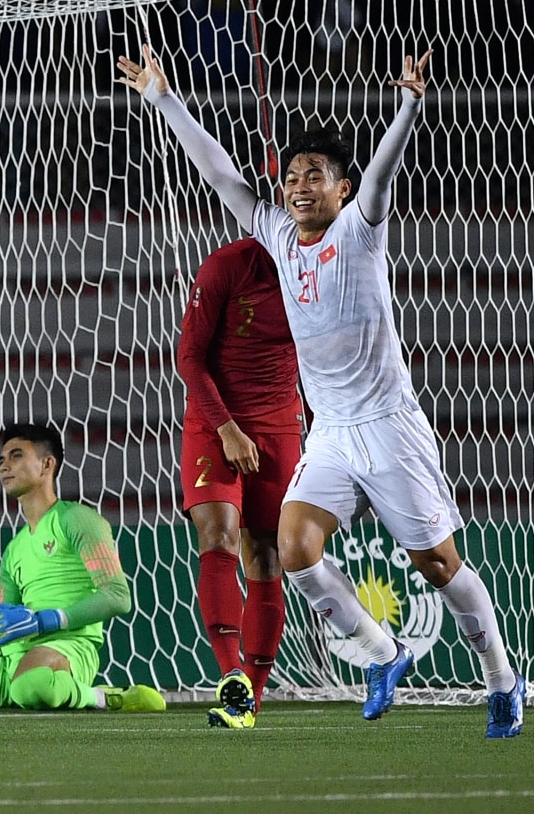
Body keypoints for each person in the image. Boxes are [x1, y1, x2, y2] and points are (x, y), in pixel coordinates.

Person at [116, 45, 525, 738]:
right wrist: (163, 98)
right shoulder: (277, 234)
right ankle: (383, 652)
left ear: (341, 189)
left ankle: (501, 679)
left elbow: (384, 174)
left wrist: (409, 106)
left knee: (437, 564)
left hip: (390, 426)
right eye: (295, 176)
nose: (301, 185)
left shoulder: (361, 232)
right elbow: (220, 174)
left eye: (318, 176)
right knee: (295, 547)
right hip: (331, 429)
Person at [0, 423, 166, 714]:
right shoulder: (15, 549)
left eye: (16, 456)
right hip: (8, 660)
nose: (4, 466)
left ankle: (107, 698)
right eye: (1, 460)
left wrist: (47, 620)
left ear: (47, 464)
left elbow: (117, 596)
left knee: (32, 686)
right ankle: (21, 688)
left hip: (67, 647)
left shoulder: (77, 520)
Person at [178, 238, 303, 729]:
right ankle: (230, 671)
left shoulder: (328, 266)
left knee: (268, 554)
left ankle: (250, 698)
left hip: (280, 426)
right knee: (218, 537)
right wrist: (227, 428)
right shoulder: (228, 266)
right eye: (290, 181)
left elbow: (324, 362)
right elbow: (189, 356)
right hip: (215, 425)